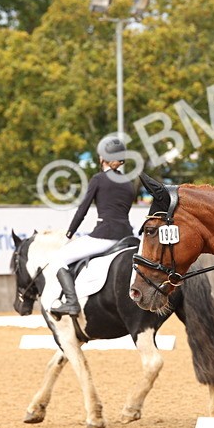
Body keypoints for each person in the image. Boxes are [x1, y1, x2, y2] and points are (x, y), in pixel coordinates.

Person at [43, 135, 137, 316]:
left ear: (103, 158)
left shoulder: (98, 179)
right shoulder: (129, 184)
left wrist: (69, 235)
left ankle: (71, 302)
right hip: (127, 238)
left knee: (58, 259)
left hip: (104, 235)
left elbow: (82, 210)